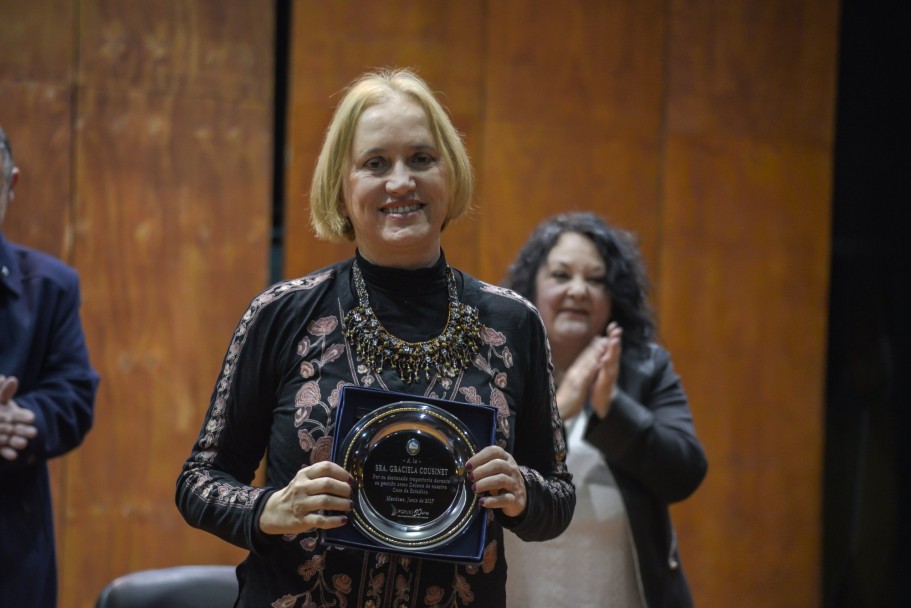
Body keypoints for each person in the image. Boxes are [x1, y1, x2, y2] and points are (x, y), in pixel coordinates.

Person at [175, 68, 575, 607]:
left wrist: (524, 493)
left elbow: (560, 495)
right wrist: (271, 509)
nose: (401, 182)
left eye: (421, 159)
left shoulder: (513, 324)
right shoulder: (282, 313)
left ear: (450, 173)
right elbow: (200, 481)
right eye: (375, 164)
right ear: (341, 187)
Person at [502, 212, 708, 608]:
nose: (579, 290)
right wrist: (562, 407)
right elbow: (473, 475)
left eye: (595, 280)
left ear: (613, 297)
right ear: (530, 289)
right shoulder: (495, 364)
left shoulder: (645, 369)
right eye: (561, 275)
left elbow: (685, 474)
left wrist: (610, 408)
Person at [0, 125, 100, 607]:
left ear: (11, 186)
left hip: (11, 545)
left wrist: (25, 418)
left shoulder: (49, 285)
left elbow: (75, 393)